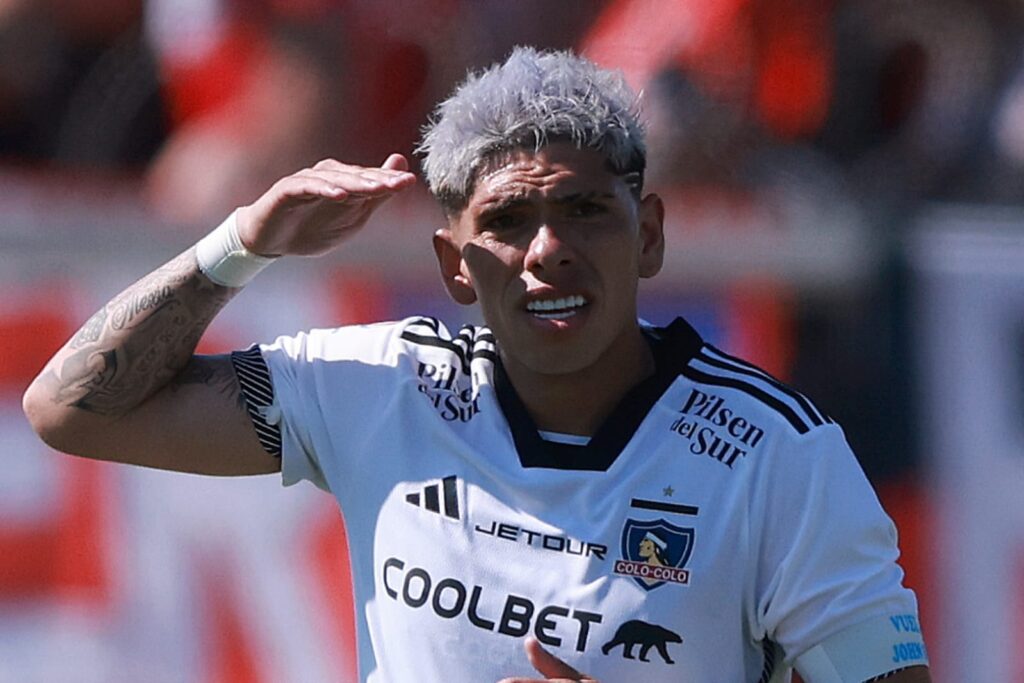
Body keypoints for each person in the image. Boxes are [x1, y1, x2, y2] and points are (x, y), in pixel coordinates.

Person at [22, 46, 930, 682]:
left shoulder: (776, 454)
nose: (548, 250)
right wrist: (239, 246)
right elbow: (73, 406)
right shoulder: (381, 387)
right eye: (505, 222)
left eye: (585, 212)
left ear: (649, 236)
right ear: (454, 265)